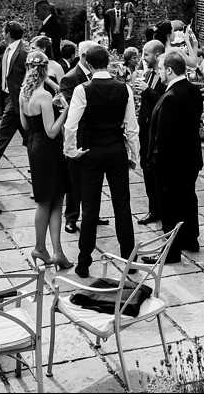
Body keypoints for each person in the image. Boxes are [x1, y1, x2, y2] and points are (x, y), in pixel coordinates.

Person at [63, 46, 139, 278]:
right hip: (116, 150)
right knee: (122, 206)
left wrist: (71, 151)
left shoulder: (82, 89)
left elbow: (70, 125)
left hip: (92, 151)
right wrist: (133, 155)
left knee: (90, 208)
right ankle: (129, 259)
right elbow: (132, 127)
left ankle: (84, 261)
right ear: (108, 63)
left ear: (88, 63)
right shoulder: (124, 88)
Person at [143, 51, 204, 263]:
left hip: (172, 164)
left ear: (169, 70)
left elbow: (164, 138)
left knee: (170, 207)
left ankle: (170, 252)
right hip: (190, 159)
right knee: (188, 200)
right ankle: (190, 239)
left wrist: (154, 163)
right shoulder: (192, 91)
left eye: (160, 69)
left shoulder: (170, 97)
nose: (159, 72)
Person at [19, 50, 73, 270]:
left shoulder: (24, 93)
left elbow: (24, 126)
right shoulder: (43, 96)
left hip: (34, 145)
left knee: (51, 198)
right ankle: (44, 248)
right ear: (45, 70)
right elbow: (51, 132)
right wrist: (66, 111)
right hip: (48, 148)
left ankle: (53, 250)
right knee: (50, 199)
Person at [58, 40, 108, 233]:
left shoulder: (99, 76)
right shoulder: (71, 78)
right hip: (78, 135)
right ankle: (71, 217)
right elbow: (70, 111)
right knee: (74, 180)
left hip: (96, 135)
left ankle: (92, 214)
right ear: (85, 57)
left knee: (95, 178)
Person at [132, 40, 166, 225]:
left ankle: (160, 208)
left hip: (157, 131)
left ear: (157, 55)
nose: (143, 58)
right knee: (146, 169)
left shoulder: (164, 77)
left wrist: (147, 91)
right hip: (145, 130)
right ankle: (153, 208)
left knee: (156, 172)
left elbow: (164, 101)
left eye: (146, 54)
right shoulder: (148, 74)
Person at [0, 21, 29, 168]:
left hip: (17, 101)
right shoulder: (7, 49)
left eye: (3, 31)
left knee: (2, 137)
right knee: (29, 138)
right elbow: (4, 74)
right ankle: (40, 165)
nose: (2, 33)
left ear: (8, 34)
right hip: (7, 97)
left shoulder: (24, 52)